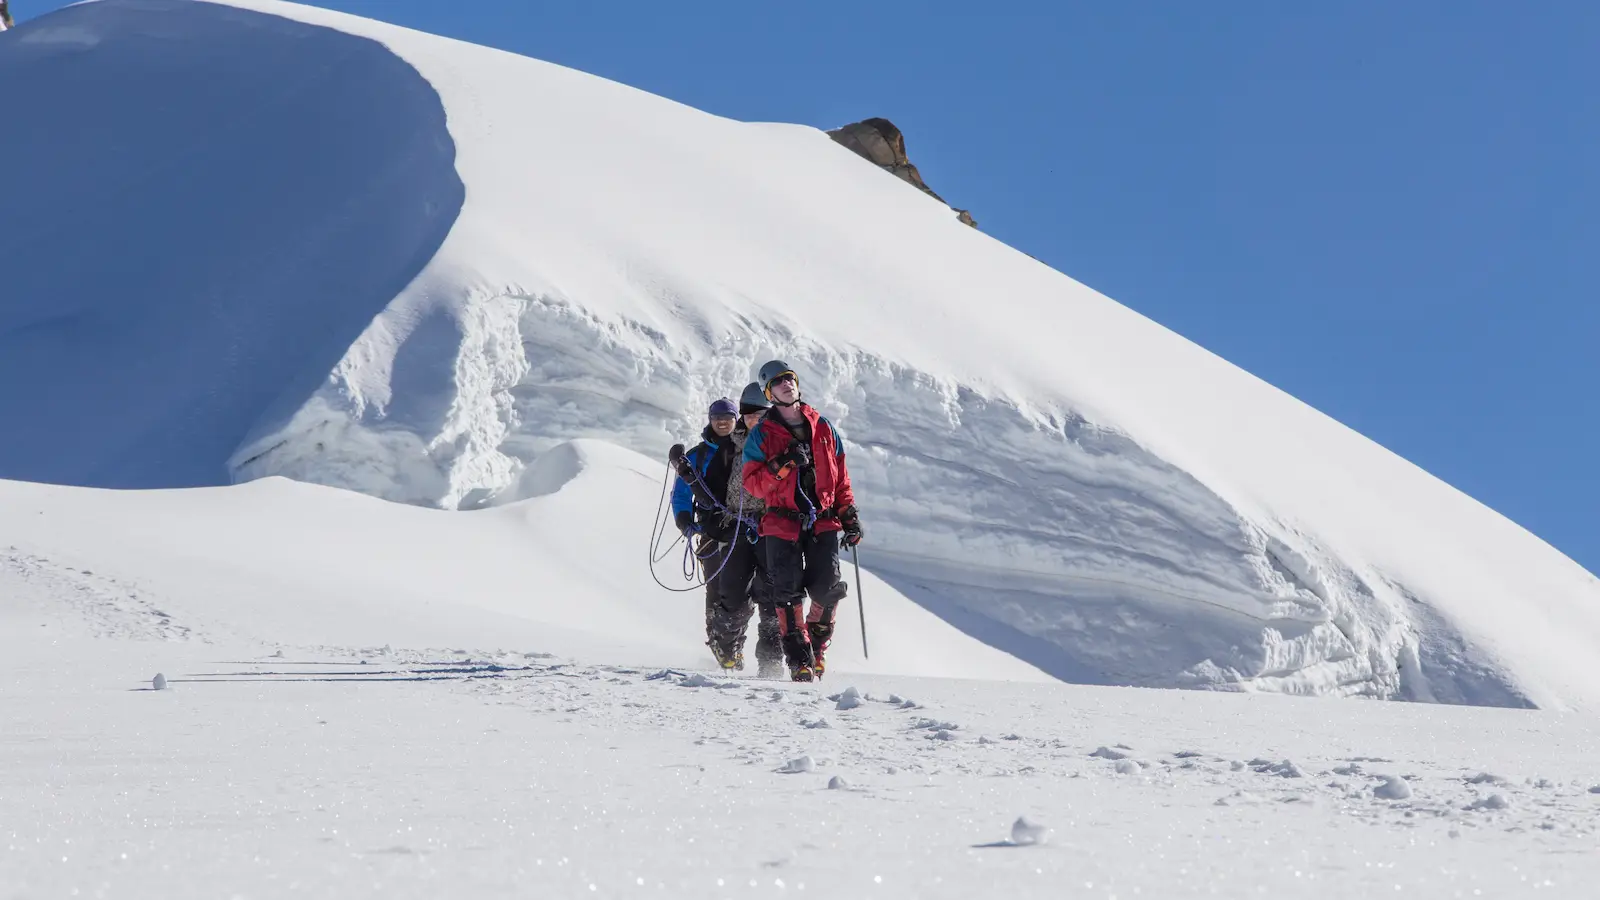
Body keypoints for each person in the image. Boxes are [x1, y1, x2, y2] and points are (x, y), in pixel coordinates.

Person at [740, 361, 863, 681]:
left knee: (828, 588)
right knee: (787, 593)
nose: (786, 384)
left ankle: (817, 649)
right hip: (782, 523)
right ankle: (799, 662)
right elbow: (753, 484)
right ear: (769, 393)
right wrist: (782, 465)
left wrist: (848, 514)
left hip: (823, 520)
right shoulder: (762, 434)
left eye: (789, 378)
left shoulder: (823, 427)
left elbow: (841, 477)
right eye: (777, 382)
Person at [708, 382, 783, 678]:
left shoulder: (779, 444)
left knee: (771, 595)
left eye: (759, 414)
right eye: (749, 414)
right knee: (733, 593)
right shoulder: (730, 445)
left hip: (770, 524)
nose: (754, 419)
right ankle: (726, 647)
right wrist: (711, 520)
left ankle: (770, 661)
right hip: (737, 524)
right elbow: (714, 481)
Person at [669, 398, 742, 665]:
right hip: (710, 532)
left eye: (727, 417)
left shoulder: (747, 451)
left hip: (742, 530)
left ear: (735, 420)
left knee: (741, 589)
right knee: (716, 586)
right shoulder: (697, 455)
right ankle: (719, 642)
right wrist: (684, 519)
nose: (722, 422)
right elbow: (680, 494)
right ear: (710, 420)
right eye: (717, 417)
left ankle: (733, 643)